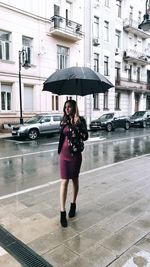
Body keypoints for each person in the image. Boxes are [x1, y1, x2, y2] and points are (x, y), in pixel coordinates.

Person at [58, 99, 88, 227]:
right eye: (65, 107)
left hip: (75, 155)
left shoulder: (81, 121)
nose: (67, 109)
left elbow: (85, 137)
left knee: (75, 179)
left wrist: (77, 125)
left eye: (69, 107)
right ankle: (62, 212)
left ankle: (73, 205)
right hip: (63, 155)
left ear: (74, 107)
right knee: (64, 181)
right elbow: (63, 135)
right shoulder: (63, 120)